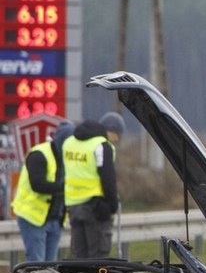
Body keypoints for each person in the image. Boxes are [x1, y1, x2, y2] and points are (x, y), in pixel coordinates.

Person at [10, 120, 75, 262]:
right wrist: (66, 188)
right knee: (37, 264)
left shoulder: (69, 157)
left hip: (56, 219)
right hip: (33, 217)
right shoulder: (39, 154)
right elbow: (38, 185)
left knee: (49, 268)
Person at [63, 112, 124, 259]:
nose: (117, 140)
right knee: (98, 259)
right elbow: (108, 179)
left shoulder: (69, 142)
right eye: (118, 135)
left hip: (73, 206)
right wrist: (113, 205)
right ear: (113, 131)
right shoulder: (102, 146)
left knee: (79, 257)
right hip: (95, 208)